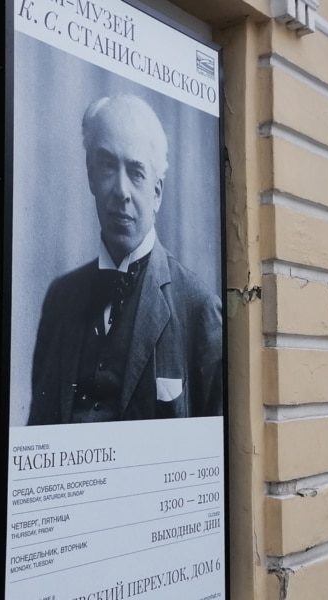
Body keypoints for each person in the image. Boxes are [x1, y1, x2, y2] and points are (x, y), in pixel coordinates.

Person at [27, 94, 222, 425]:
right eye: (106, 166)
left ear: (157, 192)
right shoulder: (60, 298)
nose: (121, 191)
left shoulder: (198, 307)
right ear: (90, 176)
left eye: (136, 172)